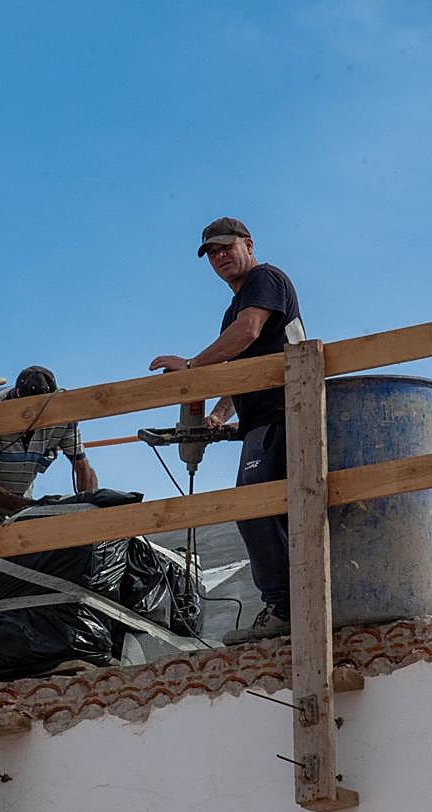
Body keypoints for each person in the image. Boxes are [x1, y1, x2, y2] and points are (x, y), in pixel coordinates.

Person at [148, 217, 305, 638]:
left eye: (225, 247)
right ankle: (293, 603)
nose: (219, 257)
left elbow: (248, 332)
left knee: (254, 510)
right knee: (271, 513)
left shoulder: (265, 279)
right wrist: (220, 414)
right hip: (265, 418)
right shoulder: (234, 309)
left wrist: (193, 366)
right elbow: (242, 365)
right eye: (211, 253)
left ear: (248, 244)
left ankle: (286, 608)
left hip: (281, 413)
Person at [0, 365, 99, 520]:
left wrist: (89, 506)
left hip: (19, 499)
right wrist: (33, 507)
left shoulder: (61, 416)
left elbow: (82, 466)